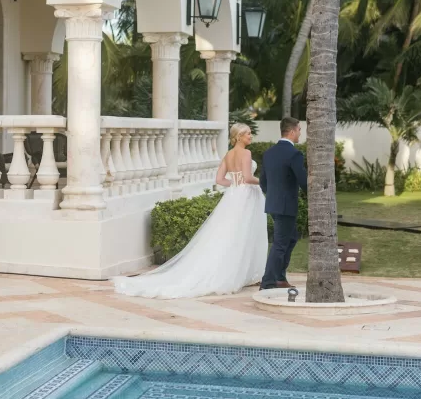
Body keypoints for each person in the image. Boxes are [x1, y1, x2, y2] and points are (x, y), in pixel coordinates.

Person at [113, 123, 268, 299]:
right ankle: (240, 274)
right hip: (246, 196)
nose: (251, 136)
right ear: (239, 136)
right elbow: (247, 177)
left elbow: (219, 179)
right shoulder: (246, 153)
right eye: (247, 133)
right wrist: (264, 182)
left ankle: (236, 272)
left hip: (233, 196)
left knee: (228, 234)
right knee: (243, 234)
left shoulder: (228, 155)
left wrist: (235, 184)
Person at [259, 117, 307, 290]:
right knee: (280, 244)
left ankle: (279, 277)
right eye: (300, 129)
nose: (300, 133)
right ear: (292, 131)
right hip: (286, 205)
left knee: (291, 237)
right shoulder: (294, 154)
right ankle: (268, 282)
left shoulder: (269, 153)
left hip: (273, 203)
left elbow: (263, 182)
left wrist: (273, 195)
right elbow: (303, 180)